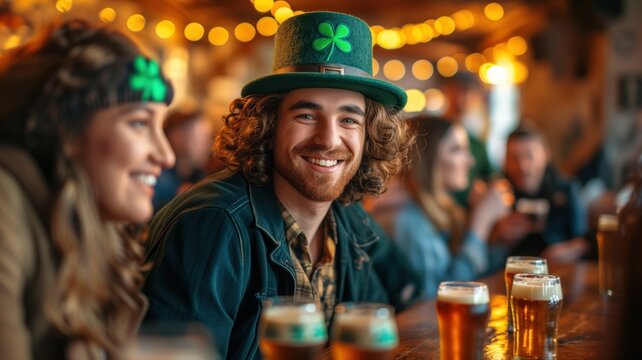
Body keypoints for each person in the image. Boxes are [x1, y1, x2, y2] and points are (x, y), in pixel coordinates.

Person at [142, 11, 422, 359]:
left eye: (349, 119)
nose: (328, 139)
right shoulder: (213, 225)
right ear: (269, 125)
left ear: (368, 137)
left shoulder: (347, 221)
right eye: (306, 115)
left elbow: (412, 298)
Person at [0, 20, 175, 359]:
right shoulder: (5, 203)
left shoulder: (100, 225)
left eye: (162, 126)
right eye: (139, 123)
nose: (166, 155)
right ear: (66, 129)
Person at [392, 116, 511, 299]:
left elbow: (480, 277)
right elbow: (436, 298)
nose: (470, 161)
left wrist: (498, 235)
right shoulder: (407, 221)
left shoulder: (446, 211)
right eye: (456, 150)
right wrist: (481, 222)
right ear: (426, 158)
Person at [492, 126, 588, 263]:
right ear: (505, 161)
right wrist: (498, 236)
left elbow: (583, 240)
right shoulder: (498, 194)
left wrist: (564, 251)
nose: (522, 166)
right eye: (514, 157)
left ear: (545, 154)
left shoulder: (566, 190)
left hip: (558, 273)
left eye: (529, 156)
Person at [152, 109, 213, 212]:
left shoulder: (203, 178)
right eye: (201, 138)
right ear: (176, 137)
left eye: (208, 139)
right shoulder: (156, 178)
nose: (208, 146)